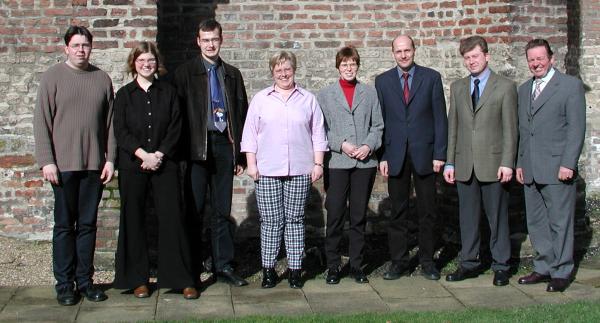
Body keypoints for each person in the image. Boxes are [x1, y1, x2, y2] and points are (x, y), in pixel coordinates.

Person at [33, 25, 114, 305]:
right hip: (63, 166)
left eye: (86, 45)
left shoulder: (102, 79)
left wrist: (110, 159)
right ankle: (65, 284)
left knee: (88, 226)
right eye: (76, 45)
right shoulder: (52, 77)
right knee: (65, 226)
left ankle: (86, 281)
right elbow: (41, 122)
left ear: (92, 47)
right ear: (66, 48)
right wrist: (47, 161)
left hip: (93, 165)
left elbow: (110, 125)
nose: (81, 50)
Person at [112, 41, 198, 299]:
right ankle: (137, 279)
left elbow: (176, 126)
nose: (146, 65)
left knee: (172, 218)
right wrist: (143, 155)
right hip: (133, 165)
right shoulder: (124, 95)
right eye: (141, 61)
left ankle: (180, 278)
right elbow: (121, 131)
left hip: (165, 163)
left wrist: (158, 154)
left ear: (156, 63)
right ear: (133, 63)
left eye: (150, 60)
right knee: (133, 219)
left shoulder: (169, 92)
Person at [241, 51, 328, 289]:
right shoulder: (261, 99)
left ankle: (295, 270)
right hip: (267, 169)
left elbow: (318, 133)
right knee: (270, 221)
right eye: (278, 69)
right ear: (272, 72)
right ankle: (268, 270)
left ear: (294, 69)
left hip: (300, 168)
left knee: (295, 220)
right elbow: (249, 134)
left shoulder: (308, 99)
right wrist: (251, 164)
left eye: (287, 69)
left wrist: (318, 163)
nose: (283, 73)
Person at [173, 19, 248, 287]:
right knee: (194, 210)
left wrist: (239, 154)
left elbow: (242, 116)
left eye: (214, 39)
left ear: (221, 40)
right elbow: (177, 117)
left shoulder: (232, 74)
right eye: (205, 40)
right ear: (198, 41)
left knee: (222, 210)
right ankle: (191, 267)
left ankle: (223, 265)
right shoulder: (184, 74)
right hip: (196, 149)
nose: (210, 44)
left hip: (223, 147)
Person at [443, 35, 517, 286]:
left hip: (494, 164)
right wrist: (449, 162)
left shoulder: (505, 86)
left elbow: (510, 129)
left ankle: (501, 265)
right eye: (467, 58)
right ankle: (469, 263)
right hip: (465, 165)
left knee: (497, 218)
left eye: (475, 56)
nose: (471, 62)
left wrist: (508, 162)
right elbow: (453, 127)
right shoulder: (458, 87)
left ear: (487, 56)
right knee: (468, 218)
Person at [375, 35, 448, 280]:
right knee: (398, 211)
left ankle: (427, 261)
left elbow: (440, 118)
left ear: (414, 50)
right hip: (395, 154)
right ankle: (399, 262)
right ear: (392, 53)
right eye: (399, 51)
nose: (403, 55)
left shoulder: (431, 78)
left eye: (407, 50)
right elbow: (381, 122)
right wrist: (382, 155)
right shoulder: (383, 82)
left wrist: (440, 153)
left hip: (425, 154)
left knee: (427, 211)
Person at [516, 39, 586, 292]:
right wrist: (519, 163)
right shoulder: (524, 90)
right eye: (531, 60)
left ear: (551, 58)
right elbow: (523, 131)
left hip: (558, 168)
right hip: (531, 169)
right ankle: (543, 266)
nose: (536, 63)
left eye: (540, 58)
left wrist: (569, 162)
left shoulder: (569, 87)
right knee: (536, 223)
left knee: (559, 222)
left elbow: (576, 128)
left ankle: (561, 271)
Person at [317, 46, 384, 284]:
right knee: (334, 214)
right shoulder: (324, 95)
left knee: (358, 216)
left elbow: (378, 126)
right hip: (337, 162)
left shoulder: (370, 93)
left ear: (358, 66)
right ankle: (333, 265)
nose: (349, 68)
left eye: (353, 64)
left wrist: (368, 146)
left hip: (364, 164)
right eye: (344, 64)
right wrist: (341, 144)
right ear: (338, 67)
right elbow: (321, 129)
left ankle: (357, 265)